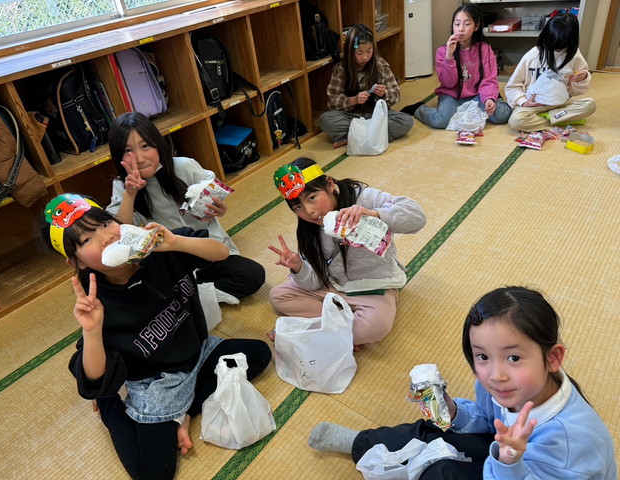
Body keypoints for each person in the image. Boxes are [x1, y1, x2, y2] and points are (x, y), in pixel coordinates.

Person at [36, 193, 272, 480]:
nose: (105, 237)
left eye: (105, 224)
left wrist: (175, 243)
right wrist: (92, 331)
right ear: (78, 262)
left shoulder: (160, 251)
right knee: (154, 474)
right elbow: (93, 377)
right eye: (87, 240)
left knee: (258, 354)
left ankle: (185, 412)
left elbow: (221, 253)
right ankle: (110, 403)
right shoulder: (97, 302)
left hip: (197, 352)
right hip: (156, 382)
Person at [308, 286, 617, 479]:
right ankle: (361, 443)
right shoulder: (502, 386)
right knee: (431, 430)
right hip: (508, 456)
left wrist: (508, 462)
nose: (495, 374)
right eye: (482, 356)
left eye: (513, 357)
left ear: (553, 358)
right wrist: (454, 411)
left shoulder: (568, 442)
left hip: (522, 471)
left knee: (442, 471)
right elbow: (487, 420)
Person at [106, 112, 264, 304]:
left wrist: (220, 209)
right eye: (128, 150)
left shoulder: (184, 167)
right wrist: (130, 194)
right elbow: (118, 230)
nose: (139, 158)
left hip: (206, 248)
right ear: (118, 156)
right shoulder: (122, 185)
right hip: (171, 259)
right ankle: (191, 293)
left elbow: (214, 193)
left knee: (253, 275)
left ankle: (196, 295)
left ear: (157, 144)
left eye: (145, 146)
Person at [268, 157, 426, 348]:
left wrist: (375, 214)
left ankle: (308, 330)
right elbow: (315, 281)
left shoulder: (364, 198)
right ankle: (343, 330)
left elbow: (417, 217)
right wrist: (298, 266)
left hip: (373, 287)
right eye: (298, 207)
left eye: (312, 198)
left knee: (375, 326)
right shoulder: (309, 229)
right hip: (334, 284)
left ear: (329, 185)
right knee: (278, 295)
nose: (309, 211)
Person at [401, 4, 511, 129]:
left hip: (477, 95)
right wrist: (449, 56)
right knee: (440, 121)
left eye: (467, 24)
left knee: (501, 115)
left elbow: (489, 79)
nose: (461, 29)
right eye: (457, 24)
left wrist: (489, 98)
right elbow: (448, 83)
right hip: (452, 96)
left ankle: (495, 97)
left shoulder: (485, 49)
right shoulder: (442, 51)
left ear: (476, 26)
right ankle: (419, 109)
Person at [319, 24, 413, 148]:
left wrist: (384, 93)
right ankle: (374, 136)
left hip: (376, 115)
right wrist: (353, 100)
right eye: (359, 53)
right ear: (350, 52)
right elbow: (332, 101)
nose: (365, 57)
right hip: (352, 116)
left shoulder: (380, 66)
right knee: (325, 120)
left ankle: (353, 137)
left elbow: (396, 94)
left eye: (369, 51)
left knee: (406, 121)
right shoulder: (342, 69)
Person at [505, 13, 596, 132]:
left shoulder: (574, 55)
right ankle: (558, 119)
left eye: (562, 46)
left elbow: (575, 91)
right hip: (535, 105)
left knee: (590, 105)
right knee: (516, 121)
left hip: (560, 103)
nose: (557, 50)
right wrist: (523, 102)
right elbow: (512, 86)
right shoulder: (532, 55)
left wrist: (583, 77)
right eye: (554, 45)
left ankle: (549, 118)